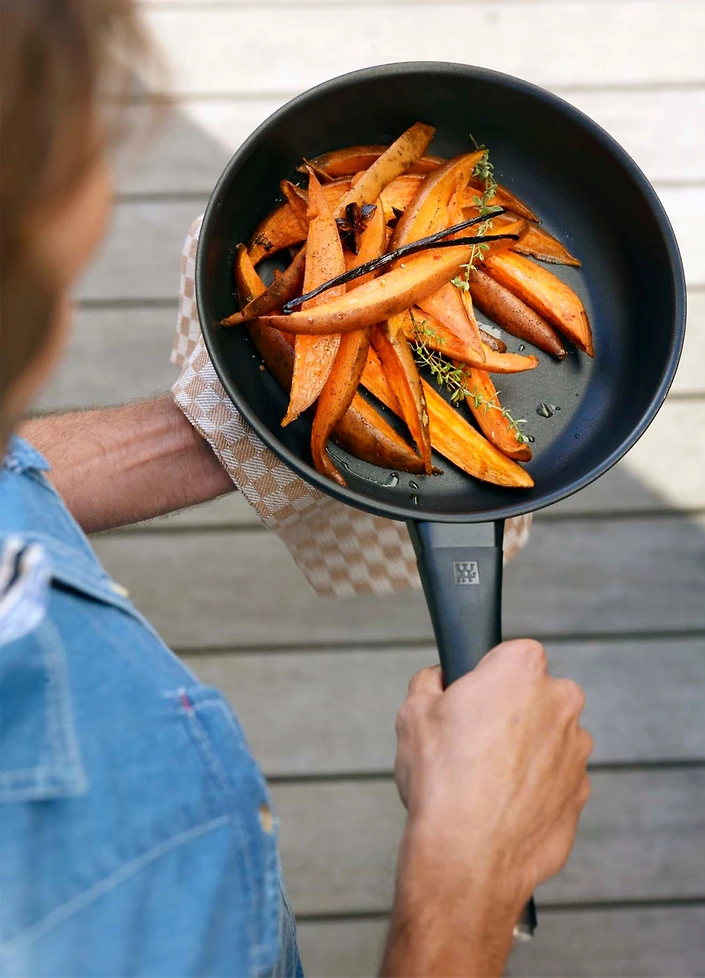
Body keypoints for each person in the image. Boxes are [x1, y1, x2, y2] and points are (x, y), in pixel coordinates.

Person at [0, 2, 593, 975]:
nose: (101, 181)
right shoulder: (76, 902)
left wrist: (219, 433)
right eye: (80, 151)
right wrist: (464, 879)